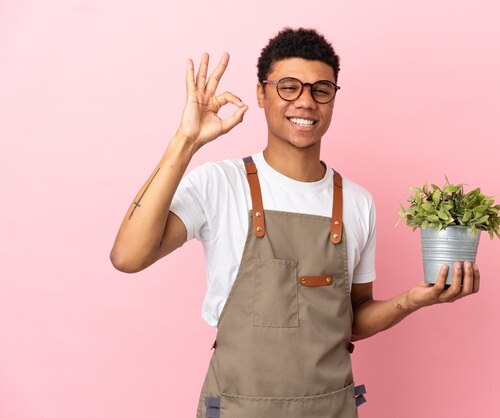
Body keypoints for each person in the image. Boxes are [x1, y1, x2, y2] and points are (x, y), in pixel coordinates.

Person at [110, 27, 480, 418]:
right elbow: (127, 256)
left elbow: (352, 320)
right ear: (261, 93)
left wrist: (411, 300)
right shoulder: (219, 184)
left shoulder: (356, 201)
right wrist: (185, 141)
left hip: (331, 409)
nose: (306, 101)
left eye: (321, 89)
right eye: (289, 87)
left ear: (334, 98)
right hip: (238, 408)